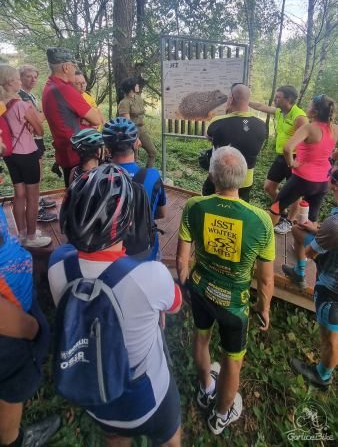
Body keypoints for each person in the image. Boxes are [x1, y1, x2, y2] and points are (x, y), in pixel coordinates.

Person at [48, 164, 182, 446]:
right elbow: (175, 305)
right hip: (147, 399)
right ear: (127, 221)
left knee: (115, 435)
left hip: (98, 396)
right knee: (170, 438)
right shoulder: (150, 276)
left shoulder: (57, 265)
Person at [176, 146, 275, 436]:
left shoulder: (194, 206)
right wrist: (263, 307)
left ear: (211, 175)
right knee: (233, 360)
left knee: (201, 338)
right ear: (244, 179)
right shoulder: (260, 220)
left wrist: (185, 288)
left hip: (201, 291)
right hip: (234, 305)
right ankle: (221, 414)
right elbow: (266, 280)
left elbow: (182, 260)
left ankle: (206, 387)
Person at [0, 207, 60, 446]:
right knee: (13, 384)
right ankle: (13, 440)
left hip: (15, 301)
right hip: (12, 327)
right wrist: (33, 330)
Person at [276, 95, 338, 287]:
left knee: (276, 207)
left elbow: (288, 147)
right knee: (307, 222)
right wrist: (331, 157)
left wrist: (291, 162)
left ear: (315, 111)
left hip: (303, 178)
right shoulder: (335, 128)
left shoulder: (309, 127)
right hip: (322, 182)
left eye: (310, 105)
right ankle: (300, 272)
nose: (308, 107)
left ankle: (260, 245)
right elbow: (333, 151)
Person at [288, 160, 338, 389]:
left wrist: (314, 234)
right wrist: (318, 229)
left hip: (332, 290)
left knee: (330, 337)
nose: (331, 183)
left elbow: (311, 252)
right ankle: (298, 274)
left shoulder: (334, 224)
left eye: (334, 180)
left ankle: (323, 376)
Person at [0, 65, 51, 248]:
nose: (20, 82)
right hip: (27, 153)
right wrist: (32, 124)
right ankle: (31, 237)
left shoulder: (1, 105)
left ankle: (21, 234)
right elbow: (39, 130)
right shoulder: (22, 104)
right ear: (10, 82)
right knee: (32, 196)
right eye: (18, 79)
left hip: (9, 154)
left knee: (19, 194)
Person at [102, 117, 166, 259]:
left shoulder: (98, 178)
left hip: (110, 251)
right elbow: (161, 213)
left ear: (107, 149)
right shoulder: (153, 176)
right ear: (137, 144)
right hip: (144, 251)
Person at [250, 85, 307, 233]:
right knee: (269, 187)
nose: (275, 99)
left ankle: (289, 222)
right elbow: (261, 106)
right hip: (282, 156)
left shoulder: (299, 116)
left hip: (295, 158)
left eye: (278, 97)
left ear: (288, 99)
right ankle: (283, 209)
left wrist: (299, 162)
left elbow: (307, 140)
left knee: (295, 193)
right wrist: (244, 101)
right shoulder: (280, 112)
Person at [42, 48, 102, 187]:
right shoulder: (64, 89)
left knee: (73, 195)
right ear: (66, 67)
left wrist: (82, 118)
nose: (75, 70)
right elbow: (97, 119)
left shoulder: (49, 85)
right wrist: (85, 119)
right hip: (77, 153)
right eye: (74, 66)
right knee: (84, 197)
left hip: (66, 150)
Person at [203, 83, 266, 201]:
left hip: (219, 179)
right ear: (248, 100)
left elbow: (208, 135)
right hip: (245, 181)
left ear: (231, 99)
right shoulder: (261, 125)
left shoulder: (217, 122)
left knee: (210, 207)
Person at [18, 64, 57, 223]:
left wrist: (40, 114)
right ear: (20, 78)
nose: (33, 79)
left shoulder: (30, 95)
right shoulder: (21, 96)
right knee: (32, 178)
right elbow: (38, 120)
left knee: (38, 175)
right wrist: (44, 113)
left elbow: (39, 117)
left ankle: (38, 200)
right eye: (29, 76)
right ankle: (37, 210)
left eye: (35, 76)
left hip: (37, 140)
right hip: (29, 142)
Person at [117, 77, 156, 168]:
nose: (138, 85)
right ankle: (133, 178)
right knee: (134, 158)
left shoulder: (138, 98)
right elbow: (127, 123)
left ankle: (148, 175)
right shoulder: (124, 103)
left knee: (152, 152)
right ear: (131, 88)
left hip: (141, 129)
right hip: (131, 131)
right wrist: (134, 137)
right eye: (136, 84)